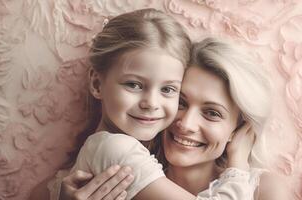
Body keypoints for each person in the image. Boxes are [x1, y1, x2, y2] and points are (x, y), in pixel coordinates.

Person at [49, 9, 260, 200]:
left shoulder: (112, 148)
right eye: (133, 85)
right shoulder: (116, 148)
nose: (151, 103)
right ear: (97, 84)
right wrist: (238, 165)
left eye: (168, 89)